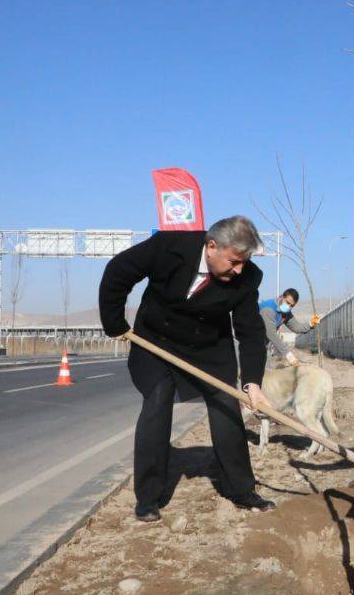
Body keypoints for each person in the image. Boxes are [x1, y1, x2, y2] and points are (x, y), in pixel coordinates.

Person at [99, 216, 275, 521]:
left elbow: (249, 332)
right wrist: (114, 323)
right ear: (211, 247)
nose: (239, 270)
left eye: (244, 263)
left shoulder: (247, 278)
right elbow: (119, 271)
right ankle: (149, 497)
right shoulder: (170, 246)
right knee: (158, 399)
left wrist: (252, 383)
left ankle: (242, 490)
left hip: (209, 349)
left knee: (225, 407)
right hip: (156, 341)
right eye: (234, 262)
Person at [259, 288, 320, 367]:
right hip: (246, 341)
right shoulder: (268, 309)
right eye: (287, 303)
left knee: (263, 373)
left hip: (261, 344)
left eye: (292, 305)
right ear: (281, 297)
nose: (289, 307)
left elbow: (296, 327)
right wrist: (289, 355)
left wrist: (311, 324)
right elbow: (271, 334)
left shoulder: (285, 312)